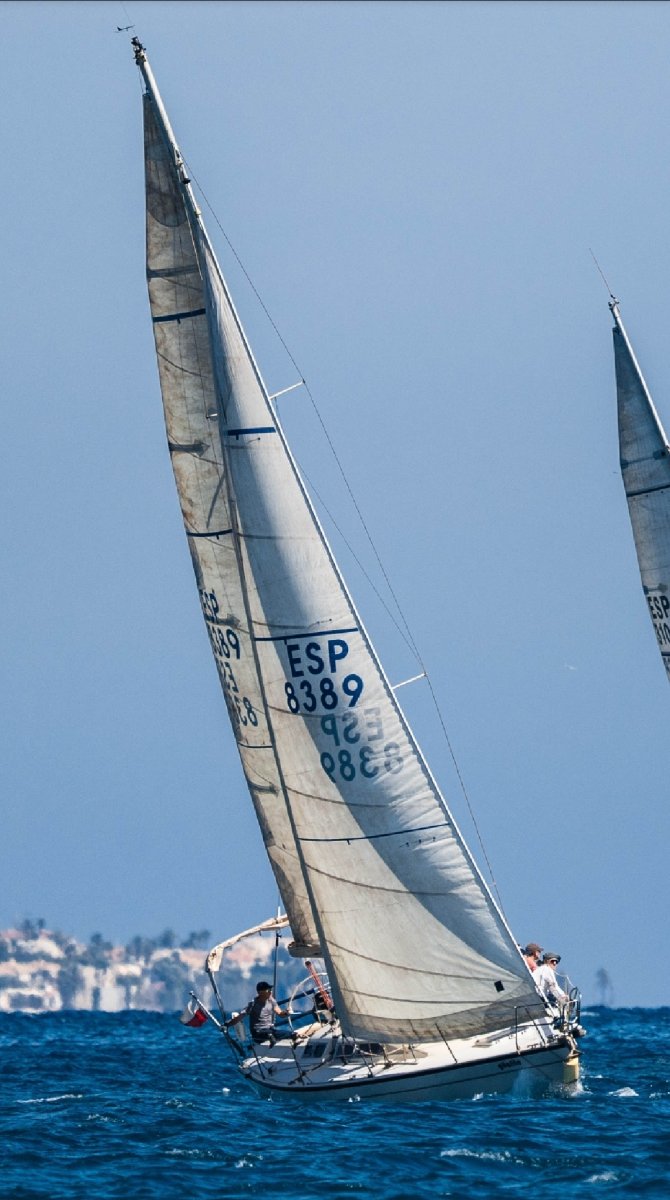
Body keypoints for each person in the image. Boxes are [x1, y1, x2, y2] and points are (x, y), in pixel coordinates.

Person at [241, 980, 290, 1045]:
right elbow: (241, 1015)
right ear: (260, 992)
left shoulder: (272, 1001)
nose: (270, 991)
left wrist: (286, 1012)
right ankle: (270, 1038)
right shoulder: (253, 1004)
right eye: (268, 990)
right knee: (270, 1034)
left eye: (271, 989)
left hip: (270, 1030)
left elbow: (281, 1014)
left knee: (292, 1034)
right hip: (258, 1032)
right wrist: (229, 1023)